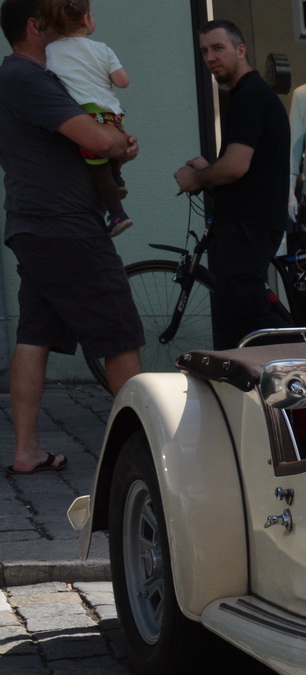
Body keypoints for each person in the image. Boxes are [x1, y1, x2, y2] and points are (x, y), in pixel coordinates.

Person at [0, 0, 140, 474]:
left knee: (35, 334)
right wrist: (118, 141)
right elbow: (101, 141)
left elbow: (91, 141)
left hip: (37, 225)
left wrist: (114, 143)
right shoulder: (28, 78)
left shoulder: (26, 78)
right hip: (65, 228)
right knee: (118, 333)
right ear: (35, 27)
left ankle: (26, 452)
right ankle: (147, 449)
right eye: (52, 20)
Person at [173, 20, 290, 350]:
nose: (210, 57)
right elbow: (243, 166)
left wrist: (197, 177)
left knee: (250, 319)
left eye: (218, 48)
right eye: (204, 51)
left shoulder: (250, 97)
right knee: (240, 317)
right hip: (249, 222)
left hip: (245, 225)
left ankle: (304, 368)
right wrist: (211, 170)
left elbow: (237, 166)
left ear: (241, 51)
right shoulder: (250, 95)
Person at [41, 0, 127, 235]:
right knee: (121, 145)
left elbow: (50, 79)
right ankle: (118, 178)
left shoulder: (51, 50)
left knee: (97, 170)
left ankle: (118, 215)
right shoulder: (103, 49)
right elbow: (123, 82)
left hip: (89, 119)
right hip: (114, 116)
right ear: (85, 20)